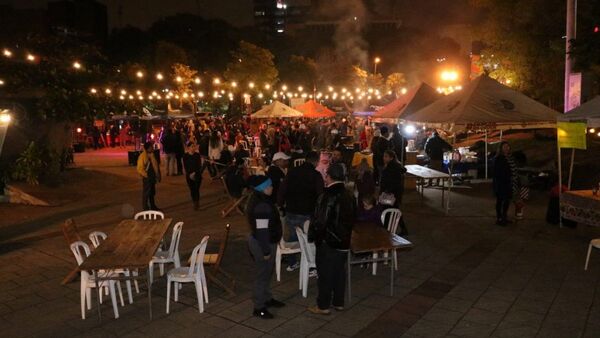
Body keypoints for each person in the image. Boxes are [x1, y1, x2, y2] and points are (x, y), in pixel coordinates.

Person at [307, 163, 356, 315]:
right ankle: (338, 302)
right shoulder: (349, 194)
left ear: (329, 176)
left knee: (325, 274)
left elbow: (321, 221)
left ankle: (323, 305)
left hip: (328, 241)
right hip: (344, 240)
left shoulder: (327, 195)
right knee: (339, 272)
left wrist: (314, 236)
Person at [245, 175, 285, 319]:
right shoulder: (261, 205)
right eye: (270, 186)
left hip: (264, 240)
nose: (272, 188)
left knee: (267, 272)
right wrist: (266, 251)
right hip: (263, 243)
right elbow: (262, 231)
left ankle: (267, 298)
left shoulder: (260, 199)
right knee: (262, 274)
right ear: (263, 188)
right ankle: (259, 306)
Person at [277, 151, 324, 271]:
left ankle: (293, 262)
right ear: (316, 161)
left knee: (293, 236)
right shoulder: (315, 175)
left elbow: (283, 189)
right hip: (307, 211)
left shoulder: (292, 172)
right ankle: (310, 264)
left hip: (292, 209)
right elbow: (320, 195)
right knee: (308, 238)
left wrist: (280, 204)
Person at [380, 150, 408, 235]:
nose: (384, 158)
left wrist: (387, 191)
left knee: (389, 210)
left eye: (386, 156)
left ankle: (388, 229)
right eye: (384, 156)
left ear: (391, 158)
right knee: (392, 210)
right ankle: (398, 229)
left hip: (391, 193)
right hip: (392, 193)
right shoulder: (393, 165)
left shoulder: (393, 167)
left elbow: (394, 182)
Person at [493, 141, 518, 226]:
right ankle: (499, 218)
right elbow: (497, 172)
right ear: (501, 148)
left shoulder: (510, 158)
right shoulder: (498, 158)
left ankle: (504, 216)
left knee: (507, 200)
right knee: (500, 200)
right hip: (501, 183)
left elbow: (513, 169)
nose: (506, 148)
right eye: (504, 147)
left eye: (507, 146)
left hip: (509, 183)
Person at [137, 142, 161, 211]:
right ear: (147, 148)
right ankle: (145, 207)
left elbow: (156, 166)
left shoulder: (152, 155)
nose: (153, 148)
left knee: (152, 193)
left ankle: (153, 206)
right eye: (151, 147)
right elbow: (140, 168)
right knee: (146, 193)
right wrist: (146, 175)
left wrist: (157, 175)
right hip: (147, 177)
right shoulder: (142, 156)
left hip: (152, 177)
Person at [182, 142, 203, 210]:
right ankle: (194, 202)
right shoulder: (185, 156)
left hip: (197, 174)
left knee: (196, 189)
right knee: (192, 189)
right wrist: (189, 173)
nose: (193, 148)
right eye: (192, 146)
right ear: (188, 148)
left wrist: (195, 172)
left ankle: (197, 203)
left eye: (194, 146)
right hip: (189, 175)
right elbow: (185, 166)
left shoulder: (197, 155)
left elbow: (199, 165)